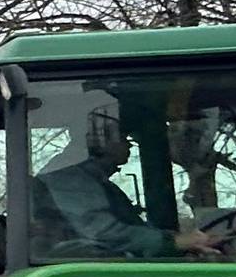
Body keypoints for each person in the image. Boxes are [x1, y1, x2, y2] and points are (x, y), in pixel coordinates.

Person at [35, 108, 214, 258]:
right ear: (102, 140)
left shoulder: (93, 181)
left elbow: (130, 230)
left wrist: (178, 238)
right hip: (84, 265)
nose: (129, 146)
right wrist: (172, 242)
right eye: (124, 139)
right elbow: (103, 233)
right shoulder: (67, 177)